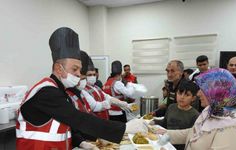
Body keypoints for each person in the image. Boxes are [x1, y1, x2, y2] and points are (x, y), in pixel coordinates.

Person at [16, 27, 148, 150]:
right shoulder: (46, 91)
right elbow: (78, 118)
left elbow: (67, 124)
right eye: (75, 69)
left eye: (79, 69)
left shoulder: (59, 90)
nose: (79, 74)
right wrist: (123, 128)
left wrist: (81, 142)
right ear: (58, 68)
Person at [159, 68, 236, 150]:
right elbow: (193, 132)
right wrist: (165, 133)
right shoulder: (210, 111)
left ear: (217, 92)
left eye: (203, 89)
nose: (198, 94)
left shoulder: (235, 125)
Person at [151, 80, 199, 150]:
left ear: (193, 98)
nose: (182, 97)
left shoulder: (195, 115)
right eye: (180, 93)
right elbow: (165, 123)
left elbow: (191, 137)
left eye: (187, 95)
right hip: (165, 145)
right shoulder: (171, 107)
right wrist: (153, 121)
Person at [84, 53, 129, 120]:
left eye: (94, 74)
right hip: (95, 120)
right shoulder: (84, 90)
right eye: (90, 75)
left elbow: (107, 96)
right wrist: (109, 102)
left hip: (105, 118)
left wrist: (120, 103)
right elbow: (94, 106)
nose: (93, 77)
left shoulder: (96, 87)